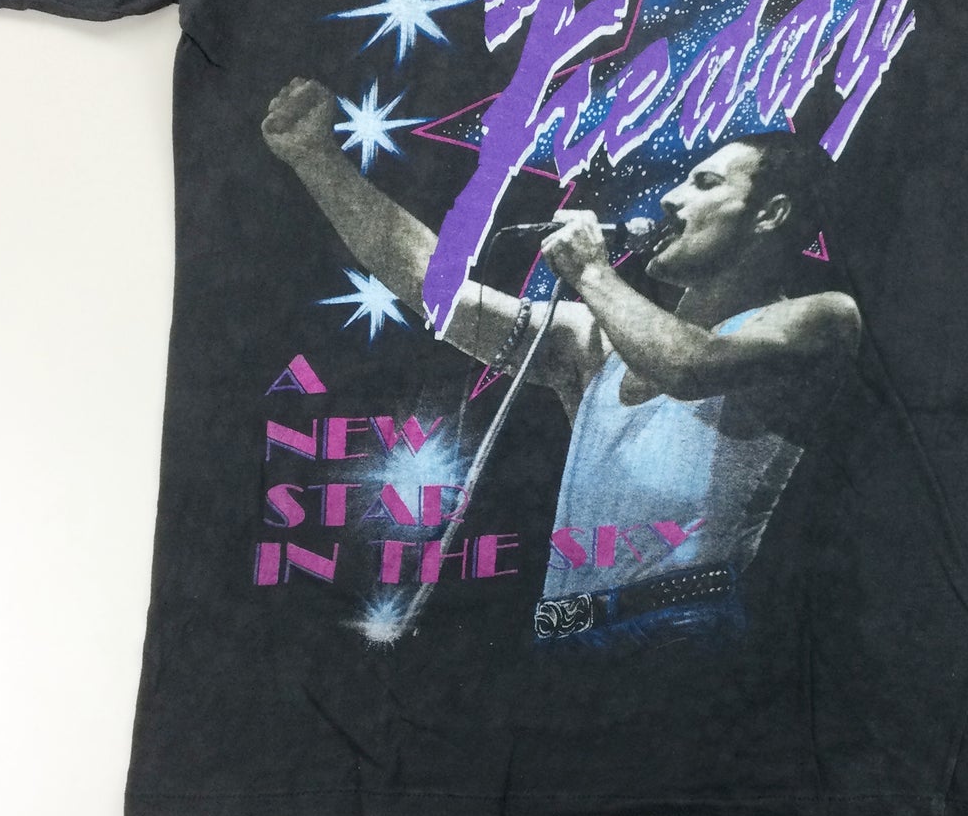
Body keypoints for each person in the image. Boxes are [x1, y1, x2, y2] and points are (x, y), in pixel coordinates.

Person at [261, 77, 861, 649]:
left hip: (686, 634)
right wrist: (317, 159)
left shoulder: (823, 317)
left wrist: (592, 271)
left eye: (704, 183)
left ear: (769, 214)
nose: (671, 197)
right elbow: (439, 292)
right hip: (567, 636)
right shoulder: (591, 341)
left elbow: (689, 367)